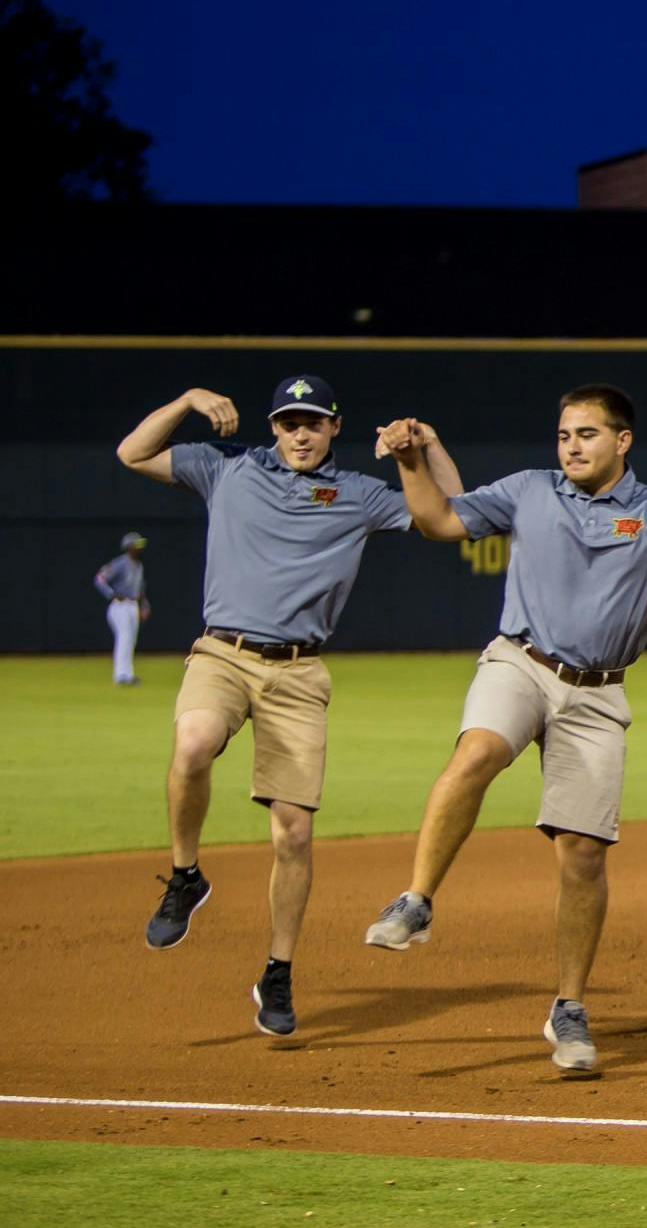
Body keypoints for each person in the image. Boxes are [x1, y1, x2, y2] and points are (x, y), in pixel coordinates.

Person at [362, 384, 647, 1074]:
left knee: (583, 856)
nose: (571, 445)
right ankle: (416, 900)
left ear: (622, 441)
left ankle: (568, 1007)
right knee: (477, 751)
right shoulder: (530, 490)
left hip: (597, 693)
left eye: (587, 434)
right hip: (521, 661)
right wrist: (409, 460)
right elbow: (440, 523)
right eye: (565, 434)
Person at [115, 377, 462, 1038]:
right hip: (223, 651)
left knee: (293, 833)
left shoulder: (359, 494)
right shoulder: (228, 469)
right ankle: (186, 876)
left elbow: (454, 513)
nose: (299, 434)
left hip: (299, 672)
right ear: (273, 427)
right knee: (192, 743)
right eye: (287, 422)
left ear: (335, 428)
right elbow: (133, 453)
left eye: (312, 422)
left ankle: (277, 971)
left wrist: (427, 445)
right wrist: (187, 400)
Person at [93, 531, 150, 685]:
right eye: (136, 545)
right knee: (124, 637)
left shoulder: (138, 566)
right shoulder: (121, 563)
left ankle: (128, 674)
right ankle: (121, 675)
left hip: (132, 605)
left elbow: (140, 588)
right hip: (120, 606)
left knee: (130, 640)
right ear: (129, 547)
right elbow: (100, 578)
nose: (139, 548)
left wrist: (144, 605)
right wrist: (111, 594)